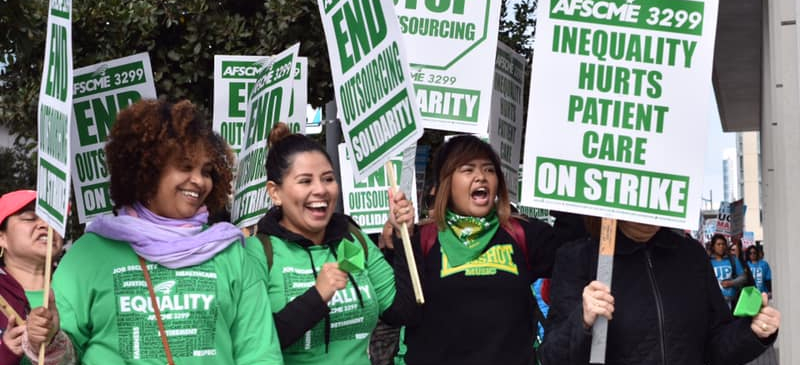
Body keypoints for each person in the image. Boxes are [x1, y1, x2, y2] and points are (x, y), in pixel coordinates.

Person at [47, 100, 283, 364]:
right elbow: (60, 357)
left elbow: (260, 352)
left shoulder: (231, 254)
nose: (199, 180)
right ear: (148, 170)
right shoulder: (88, 254)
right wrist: (51, 340)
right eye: (184, 167)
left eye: (206, 171)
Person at [388, 135, 583, 365]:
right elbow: (401, 311)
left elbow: (574, 253)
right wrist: (402, 237)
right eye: (468, 170)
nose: (481, 177)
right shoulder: (423, 238)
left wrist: (569, 187)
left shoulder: (521, 233)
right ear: (446, 183)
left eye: (489, 170)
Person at [251, 123, 414, 365]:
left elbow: (402, 311)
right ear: (275, 193)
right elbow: (254, 343)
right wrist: (317, 297)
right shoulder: (258, 253)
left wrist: (403, 237)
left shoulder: (353, 237)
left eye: (328, 179)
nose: (320, 190)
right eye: (305, 181)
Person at [540, 220, 780, 365]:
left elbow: (715, 347)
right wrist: (582, 320)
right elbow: (553, 356)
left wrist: (752, 332)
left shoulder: (690, 255)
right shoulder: (578, 258)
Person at [0, 190, 71, 364]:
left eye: (54, 221)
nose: (45, 225)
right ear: (2, 238)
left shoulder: (79, 287)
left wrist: (55, 343)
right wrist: (5, 352)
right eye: (30, 218)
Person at [709, 234, 747, 308]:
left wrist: (731, 283)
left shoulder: (732, 259)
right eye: (718, 244)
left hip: (731, 301)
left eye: (723, 244)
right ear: (713, 247)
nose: (721, 247)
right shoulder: (708, 262)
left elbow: (744, 277)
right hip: (714, 303)